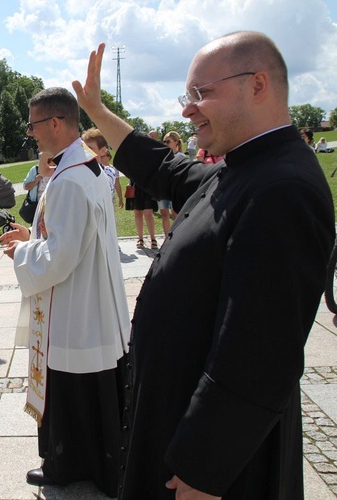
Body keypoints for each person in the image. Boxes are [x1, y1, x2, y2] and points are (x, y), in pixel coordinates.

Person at [73, 32, 334, 499]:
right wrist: (97, 111)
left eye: (201, 93)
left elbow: (257, 355)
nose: (187, 109)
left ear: (258, 85)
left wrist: (204, 469)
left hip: (219, 467)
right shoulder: (248, 167)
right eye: (186, 96)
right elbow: (162, 168)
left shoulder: (282, 189)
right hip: (178, 416)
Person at [0, 87, 130, 495]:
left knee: (74, 391)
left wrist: (23, 250)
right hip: (93, 302)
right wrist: (33, 233)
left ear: (55, 122)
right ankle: (96, 465)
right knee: (93, 393)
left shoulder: (69, 179)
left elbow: (61, 256)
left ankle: (67, 464)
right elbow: (69, 235)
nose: (31, 134)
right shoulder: (84, 167)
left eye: (34, 125)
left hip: (75, 308)